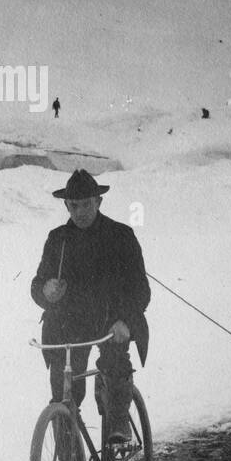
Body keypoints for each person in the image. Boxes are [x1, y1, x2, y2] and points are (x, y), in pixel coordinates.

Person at [30, 169, 149, 442]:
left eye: (86, 204)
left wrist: (126, 322)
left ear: (98, 202)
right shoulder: (58, 239)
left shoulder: (121, 236)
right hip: (70, 326)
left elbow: (140, 290)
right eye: (74, 205)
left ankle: (119, 424)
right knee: (63, 395)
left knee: (115, 366)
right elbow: (37, 286)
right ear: (66, 205)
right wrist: (46, 292)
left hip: (112, 322)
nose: (80, 211)